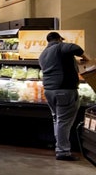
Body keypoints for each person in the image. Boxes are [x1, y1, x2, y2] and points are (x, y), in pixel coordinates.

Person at [39, 32, 90, 161]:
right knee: (63, 122)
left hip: (49, 91)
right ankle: (63, 152)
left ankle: (60, 148)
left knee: (58, 120)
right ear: (59, 39)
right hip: (64, 91)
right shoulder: (60, 47)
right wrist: (85, 58)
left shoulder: (43, 54)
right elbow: (75, 48)